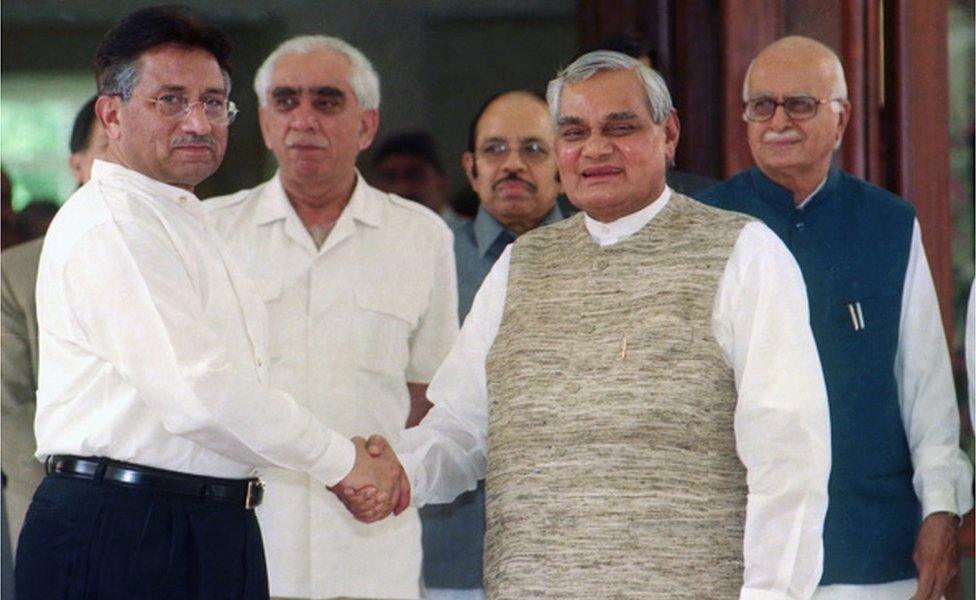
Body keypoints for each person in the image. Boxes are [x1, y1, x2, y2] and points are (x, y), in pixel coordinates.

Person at [347, 50, 834, 598]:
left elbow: (789, 461)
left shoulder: (744, 253)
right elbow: (461, 428)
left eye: (620, 127)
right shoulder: (521, 266)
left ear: (668, 133)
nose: (595, 149)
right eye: (574, 132)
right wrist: (402, 469)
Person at [15, 8, 407, 599]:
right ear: (112, 114)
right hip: (126, 528)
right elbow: (201, 393)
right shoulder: (112, 224)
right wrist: (340, 462)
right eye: (170, 100)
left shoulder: (181, 217)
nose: (198, 121)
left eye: (213, 101)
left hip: (205, 522)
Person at [698, 36, 973, 600]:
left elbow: (924, 388)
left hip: (872, 551)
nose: (778, 121)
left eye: (799, 104)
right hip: (739, 555)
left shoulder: (889, 223)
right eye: (761, 106)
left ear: (841, 117)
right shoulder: (706, 226)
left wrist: (941, 508)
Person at [205, 35, 458, 600]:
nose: (303, 120)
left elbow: (429, 397)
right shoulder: (211, 231)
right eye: (286, 101)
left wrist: (384, 479)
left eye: (326, 101)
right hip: (248, 540)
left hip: (372, 547)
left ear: (366, 126)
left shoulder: (422, 237)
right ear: (265, 122)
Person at [421, 90, 565, 600]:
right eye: (495, 150)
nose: (512, 165)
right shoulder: (430, 260)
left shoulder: (600, 258)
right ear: (470, 167)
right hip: (451, 556)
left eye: (533, 149)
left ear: (563, 163)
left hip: (572, 553)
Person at [1, 95, 107, 554]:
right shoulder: (19, 272)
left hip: (171, 511)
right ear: (78, 165)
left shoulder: (198, 258)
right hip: (58, 508)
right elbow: (8, 406)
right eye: (110, 148)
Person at [371, 131, 469, 228]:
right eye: (389, 178)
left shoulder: (476, 239)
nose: (401, 189)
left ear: (441, 182)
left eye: (414, 176)